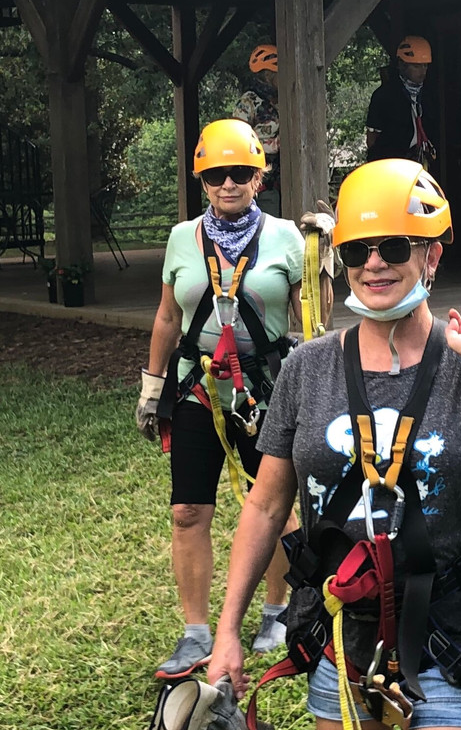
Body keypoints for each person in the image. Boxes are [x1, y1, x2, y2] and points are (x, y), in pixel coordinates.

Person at [205, 158, 461, 729]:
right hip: (341, 628)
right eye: (358, 251)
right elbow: (266, 504)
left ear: (432, 255)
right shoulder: (308, 368)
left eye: (395, 246)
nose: (375, 263)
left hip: (443, 631)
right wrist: (229, 628)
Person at [135, 118, 304, 678]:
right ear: (201, 180)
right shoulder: (183, 239)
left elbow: (309, 320)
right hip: (197, 390)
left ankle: (276, 611)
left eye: (239, 173)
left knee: (275, 507)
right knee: (187, 511)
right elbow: (167, 315)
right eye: (215, 175)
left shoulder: (287, 239)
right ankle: (195, 632)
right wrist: (152, 387)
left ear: (259, 177)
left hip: (266, 390)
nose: (227, 184)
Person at [366, 36, 436, 167]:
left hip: (420, 161)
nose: (422, 71)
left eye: (425, 66)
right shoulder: (384, 96)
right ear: (402, 65)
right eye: (416, 66)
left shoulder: (429, 95)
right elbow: (372, 137)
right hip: (392, 164)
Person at [233, 44, 282, 217]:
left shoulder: (283, 99)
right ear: (268, 75)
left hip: (283, 181)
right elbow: (237, 141)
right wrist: (273, 145)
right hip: (259, 186)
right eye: (278, 74)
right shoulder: (249, 101)